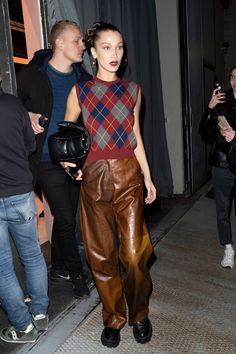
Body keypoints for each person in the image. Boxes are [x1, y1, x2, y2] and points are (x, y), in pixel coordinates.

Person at [62, 22, 157, 348]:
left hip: (128, 175)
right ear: (92, 53)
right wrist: (69, 162)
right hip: (94, 178)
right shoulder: (81, 92)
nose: (114, 53)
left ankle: (139, 313)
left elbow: (136, 138)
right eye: (106, 47)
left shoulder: (133, 90)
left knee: (133, 255)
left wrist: (147, 175)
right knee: (101, 257)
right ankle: (113, 317)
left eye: (119, 47)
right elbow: (67, 134)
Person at [16, 20, 92, 298]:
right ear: (59, 43)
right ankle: (77, 275)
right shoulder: (33, 74)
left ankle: (59, 264)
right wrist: (27, 115)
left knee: (67, 215)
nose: (82, 45)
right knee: (65, 218)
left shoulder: (83, 78)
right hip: (45, 160)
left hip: (73, 160)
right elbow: (10, 104)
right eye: (77, 40)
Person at [0, 74, 49, 343]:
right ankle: (40, 314)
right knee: (32, 256)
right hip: (20, 193)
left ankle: (22, 327)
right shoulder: (14, 105)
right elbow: (30, 146)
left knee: (2, 268)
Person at [199, 66, 236, 269]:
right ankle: (228, 248)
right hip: (222, 163)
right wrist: (210, 107)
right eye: (233, 77)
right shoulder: (221, 100)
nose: (235, 81)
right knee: (223, 210)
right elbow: (205, 134)